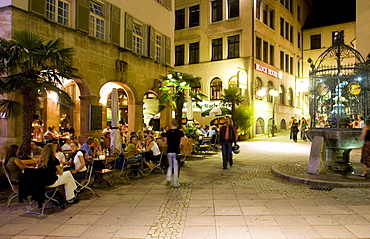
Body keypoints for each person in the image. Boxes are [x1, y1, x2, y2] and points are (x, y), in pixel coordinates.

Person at [163, 120, 184, 188]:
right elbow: (181, 144)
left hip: (169, 151)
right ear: (177, 124)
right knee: (176, 167)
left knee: (170, 166)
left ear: (171, 124)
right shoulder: (180, 133)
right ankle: (175, 183)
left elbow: (165, 142)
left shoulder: (168, 132)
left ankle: (168, 178)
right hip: (176, 152)